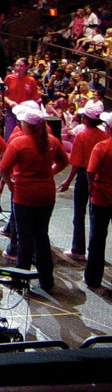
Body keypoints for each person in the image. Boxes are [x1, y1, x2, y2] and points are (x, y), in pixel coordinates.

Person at [0, 104, 69, 292]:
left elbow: (4, 168)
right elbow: (64, 161)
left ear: (26, 125)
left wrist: (12, 185)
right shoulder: (52, 141)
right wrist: (50, 174)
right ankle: (47, 279)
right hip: (46, 193)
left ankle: (20, 278)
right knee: (42, 236)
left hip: (25, 195)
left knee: (24, 237)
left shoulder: (19, 143)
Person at [59, 101, 106, 261]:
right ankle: (93, 252)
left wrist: (67, 182)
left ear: (86, 119)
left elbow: (76, 163)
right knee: (96, 217)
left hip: (83, 176)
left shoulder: (82, 136)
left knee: (79, 214)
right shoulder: (104, 136)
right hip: (100, 179)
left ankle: (78, 248)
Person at [84, 112, 112, 289]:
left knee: (97, 239)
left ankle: (94, 279)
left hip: (101, 198)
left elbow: (90, 171)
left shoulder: (102, 147)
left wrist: (91, 189)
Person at [3, 58, 40, 140]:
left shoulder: (31, 80)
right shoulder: (9, 78)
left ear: (27, 67)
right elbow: (2, 95)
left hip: (25, 112)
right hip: (10, 110)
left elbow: (35, 98)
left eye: (21, 66)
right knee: (9, 134)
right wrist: (10, 102)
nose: (18, 68)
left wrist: (25, 104)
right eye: (17, 65)